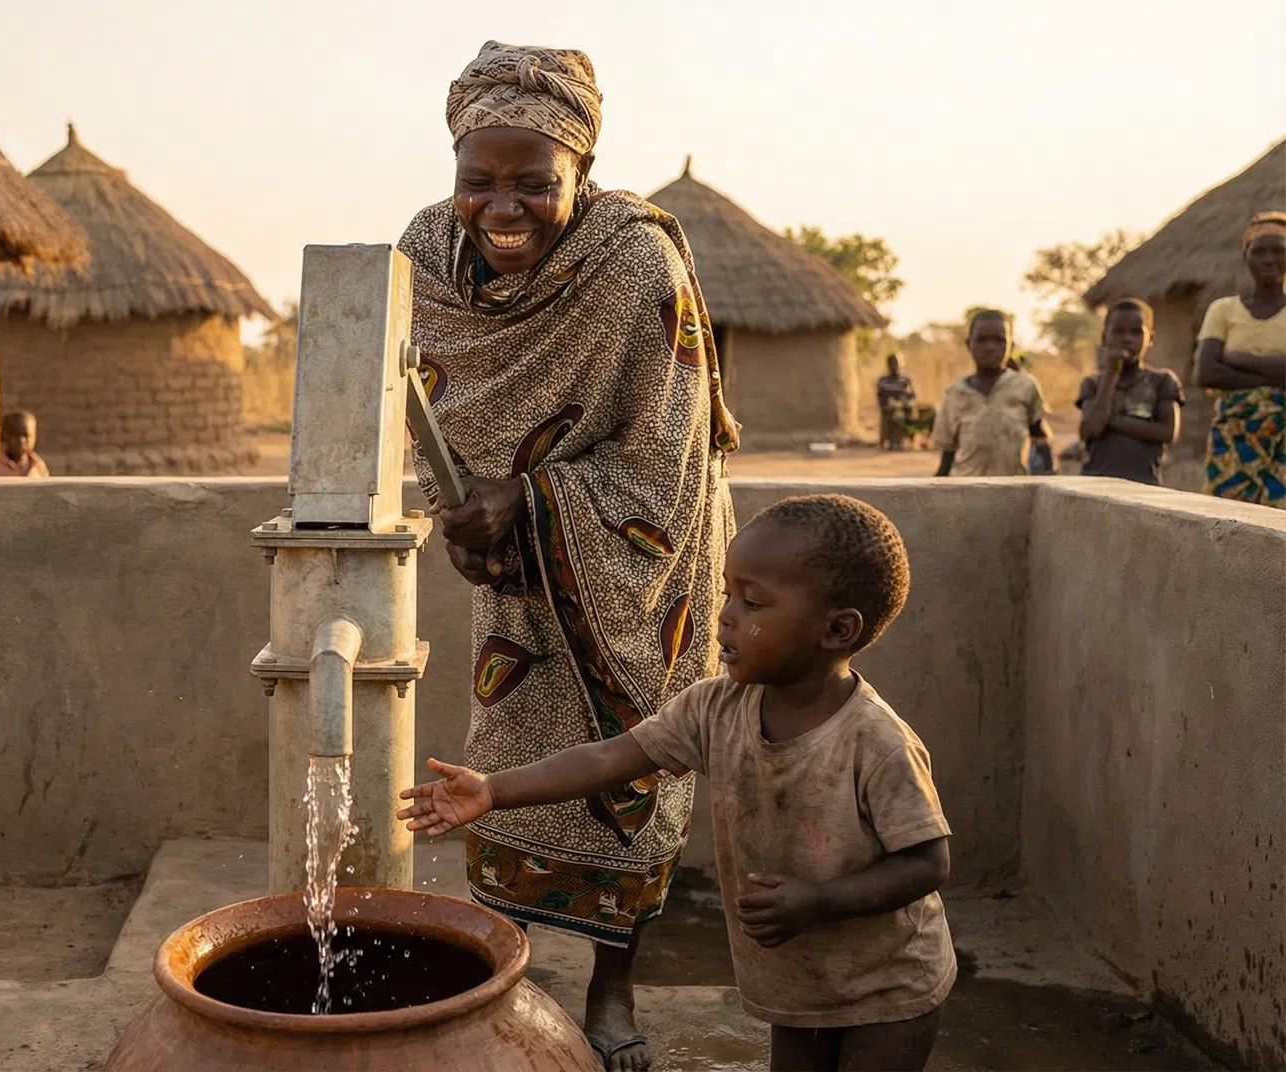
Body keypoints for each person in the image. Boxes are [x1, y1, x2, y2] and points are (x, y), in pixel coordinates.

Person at [400, 41, 739, 1071]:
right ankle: (512, 970)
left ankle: (611, 985)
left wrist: (531, 499)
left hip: (642, 556)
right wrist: (456, 511)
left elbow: (669, 447)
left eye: (532, 183)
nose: (501, 207)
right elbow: (420, 401)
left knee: (632, 762)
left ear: (580, 176)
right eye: (478, 181)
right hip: (512, 565)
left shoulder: (637, 264)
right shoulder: (422, 253)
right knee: (504, 755)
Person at [400, 494, 953, 1072]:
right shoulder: (716, 706)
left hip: (887, 988)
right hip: (798, 981)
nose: (726, 615)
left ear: (836, 630)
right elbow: (610, 758)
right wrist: (493, 791)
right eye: (728, 593)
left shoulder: (877, 743)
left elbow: (926, 863)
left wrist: (818, 902)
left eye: (753, 603)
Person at [1194, 211, 1286, 508]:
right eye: (1260, 251)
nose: (1269, 259)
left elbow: (1219, 368)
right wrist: (1276, 377)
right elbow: (1206, 372)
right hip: (1232, 439)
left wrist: (1238, 359)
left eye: (1279, 251)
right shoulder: (1222, 310)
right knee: (1225, 517)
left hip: (1282, 440)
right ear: (1245, 255)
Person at [1075, 299, 1183, 485]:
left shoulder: (1162, 381)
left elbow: (1167, 432)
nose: (1127, 338)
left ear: (1151, 339)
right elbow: (1091, 429)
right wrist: (1111, 373)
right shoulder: (1093, 383)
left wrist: (1112, 420)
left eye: (1136, 332)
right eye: (1118, 331)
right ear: (1104, 337)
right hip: (1095, 483)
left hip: (1144, 484)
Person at [932, 310, 1050, 477]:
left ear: (1012, 345)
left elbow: (1040, 437)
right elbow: (947, 455)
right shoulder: (954, 394)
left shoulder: (1025, 386)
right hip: (964, 491)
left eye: (999, 340)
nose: (990, 347)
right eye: (982, 340)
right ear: (969, 344)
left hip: (1013, 490)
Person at [0, 410, 49, 478]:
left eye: (26, 435)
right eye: (15, 435)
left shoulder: (39, 466)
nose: (21, 440)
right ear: (4, 436)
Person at [875, 355, 916, 450]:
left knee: (903, 413)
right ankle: (893, 441)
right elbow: (880, 397)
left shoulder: (906, 379)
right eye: (893, 364)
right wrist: (889, 403)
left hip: (904, 406)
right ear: (889, 365)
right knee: (893, 413)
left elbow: (913, 396)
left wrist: (904, 403)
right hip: (889, 407)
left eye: (898, 363)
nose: (897, 366)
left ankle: (902, 440)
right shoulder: (883, 380)